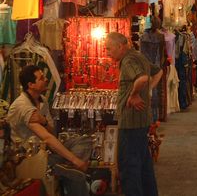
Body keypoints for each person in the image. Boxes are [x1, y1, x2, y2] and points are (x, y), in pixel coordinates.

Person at [7, 65, 91, 196]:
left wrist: (43, 121)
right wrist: (75, 160)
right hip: (30, 156)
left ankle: (62, 166)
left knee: (84, 140)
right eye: (41, 78)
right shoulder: (23, 106)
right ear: (31, 85)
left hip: (47, 150)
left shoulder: (42, 101)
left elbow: (51, 131)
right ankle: (65, 166)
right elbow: (46, 137)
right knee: (77, 176)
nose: (46, 79)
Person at [105, 32, 163, 196]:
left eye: (109, 49)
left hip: (131, 122)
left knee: (129, 169)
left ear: (120, 47)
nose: (107, 53)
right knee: (144, 167)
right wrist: (148, 89)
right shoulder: (139, 56)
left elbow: (142, 78)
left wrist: (135, 94)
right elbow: (158, 72)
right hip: (141, 120)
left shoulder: (129, 60)